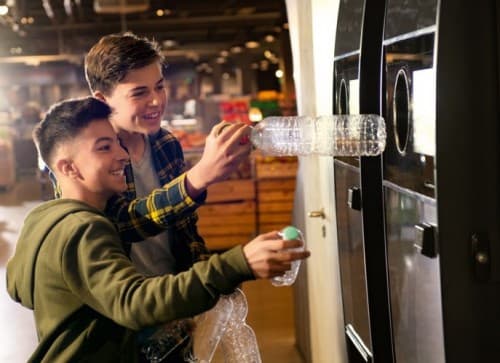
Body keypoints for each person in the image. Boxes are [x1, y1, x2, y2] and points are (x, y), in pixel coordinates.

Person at [6, 96, 310, 362]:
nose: (122, 155)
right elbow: (133, 302)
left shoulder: (41, 219)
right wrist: (238, 262)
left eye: (116, 143)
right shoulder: (83, 228)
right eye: (104, 147)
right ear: (68, 168)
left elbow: (24, 290)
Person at [84, 32, 251, 275]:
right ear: (102, 101)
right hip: (125, 303)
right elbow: (121, 224)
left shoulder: (166, 144)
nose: (156, 101)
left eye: (159, 87)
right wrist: (199, 177)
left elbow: (186, 227)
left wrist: (206, 284)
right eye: (139, 93)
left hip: (177, 290)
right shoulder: (87, 155)